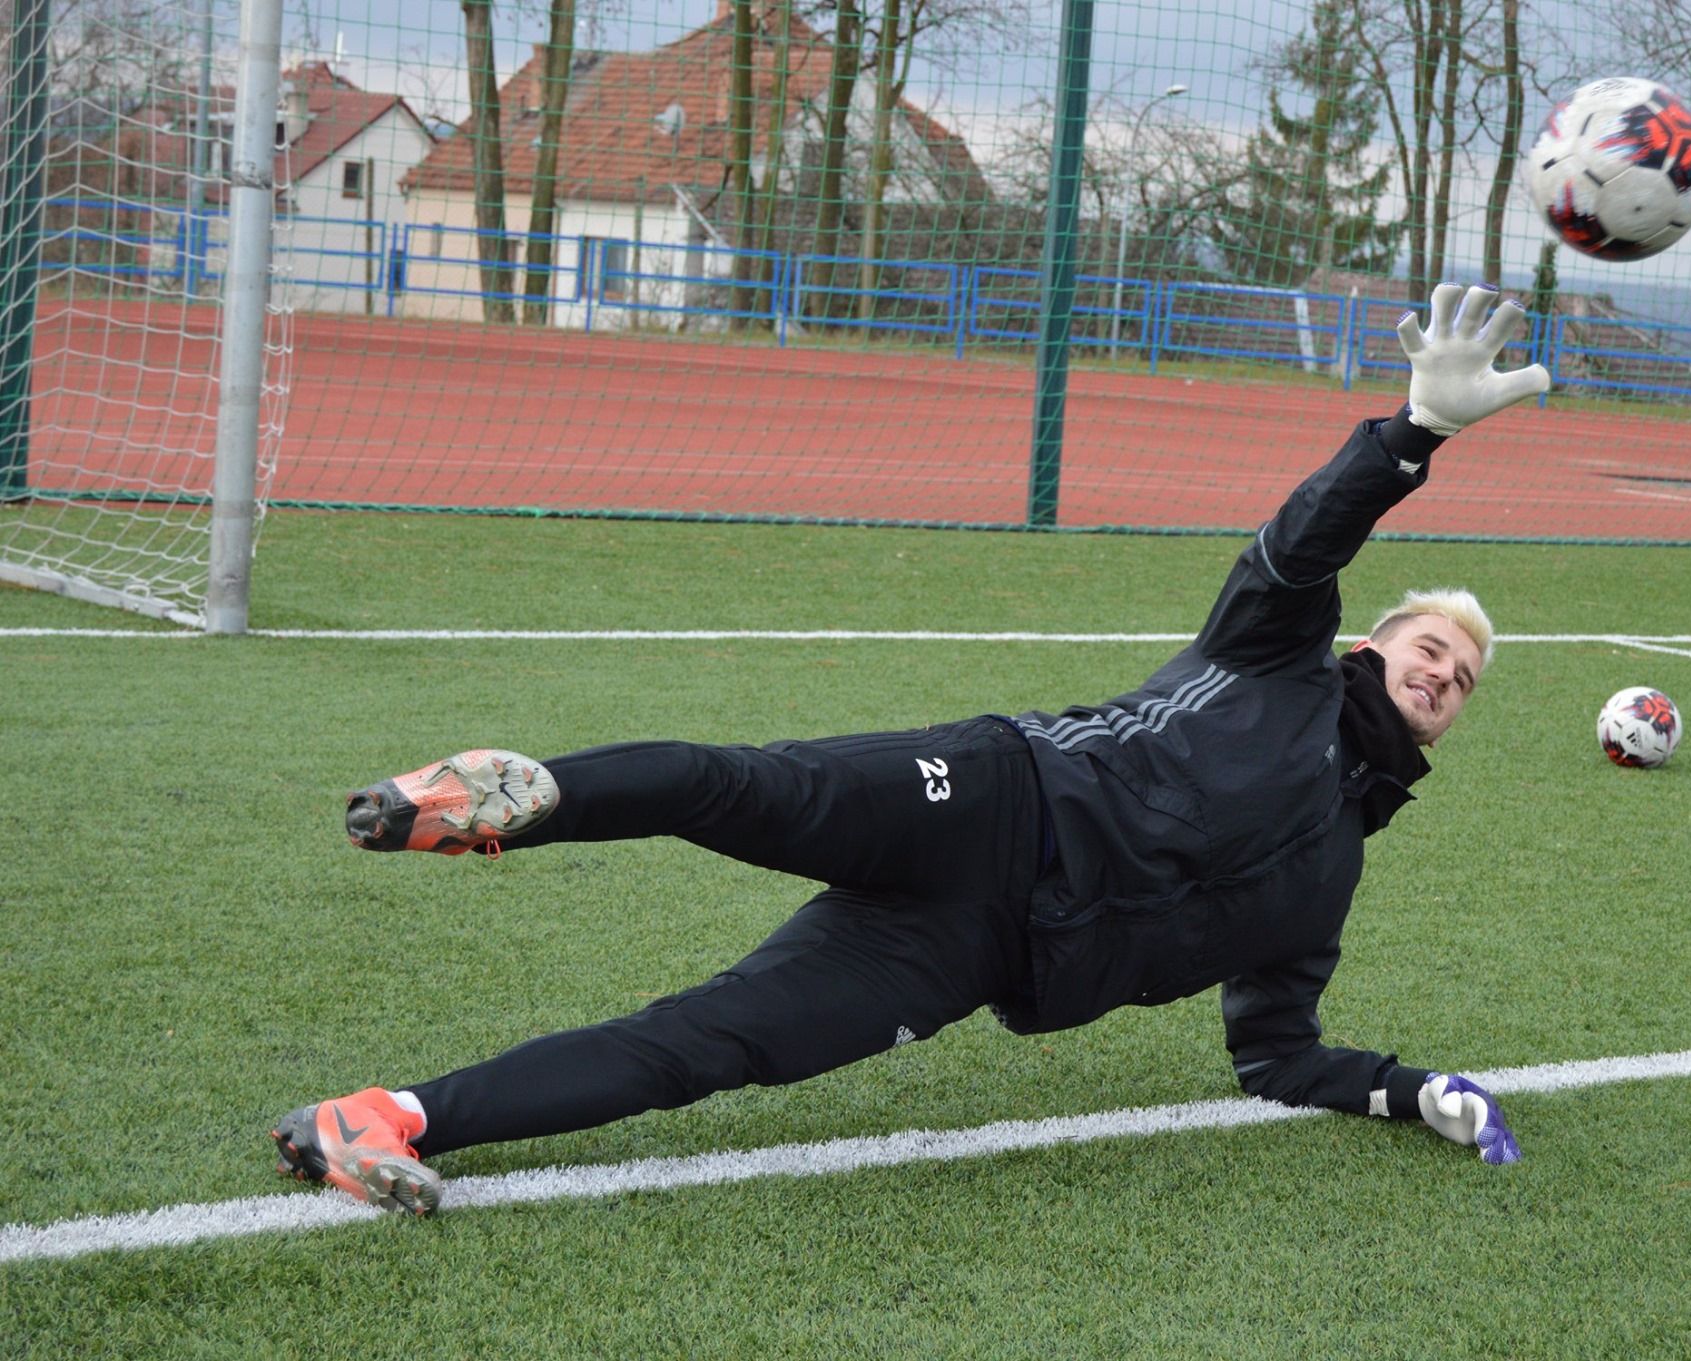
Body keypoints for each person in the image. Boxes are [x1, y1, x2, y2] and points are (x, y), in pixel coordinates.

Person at [271, 283, 1552, 1217]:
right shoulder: (1275, 654)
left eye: (1462, 677)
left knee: (708, 1044)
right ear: (1374, 643)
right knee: (746, 788)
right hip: (997, 796)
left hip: (977, 951)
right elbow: (1301, 540)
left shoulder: (1329, 877)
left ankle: (380, 1118)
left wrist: (1404, 1090)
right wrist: (1410, 434)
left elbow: (1275, 1052)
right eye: (1429, 643)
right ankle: (515, 798)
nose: (1442, 671)